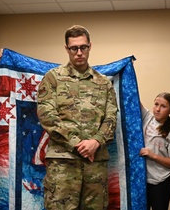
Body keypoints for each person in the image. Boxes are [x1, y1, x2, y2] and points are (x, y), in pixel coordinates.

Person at [37, 25, 118, 209]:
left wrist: (96, 142)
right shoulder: (53, 78)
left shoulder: (104, 83)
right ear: (67, 49)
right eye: (74, 48)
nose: (79, 52)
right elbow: (47, 116)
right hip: (63, 162)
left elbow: (111, 118)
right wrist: (77, 144)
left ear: (90, 46)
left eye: (83, 47)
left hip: (95, 162)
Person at [139, 92, 170, 210]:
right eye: (156, 104)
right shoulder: (147, 117)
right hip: (143, 180)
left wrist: (153, 156)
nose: (158, 109)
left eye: (163, 106)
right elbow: (133, 97)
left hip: (160, 182)